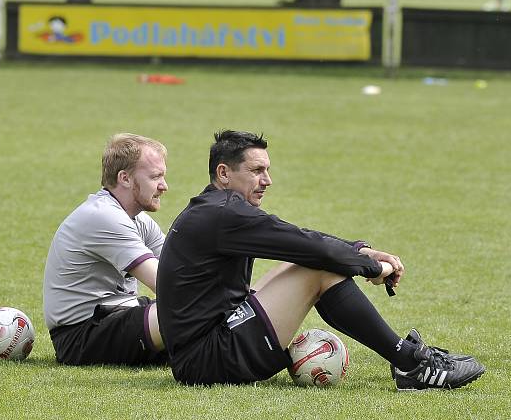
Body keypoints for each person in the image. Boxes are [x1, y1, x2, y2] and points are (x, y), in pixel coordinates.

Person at [156, 130, 484, 389]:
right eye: (257, 171)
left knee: (302, 263)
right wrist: (374, 267)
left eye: (268, 170)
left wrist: (361, 250)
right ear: (223, 173)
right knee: (317, 270)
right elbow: (317, 252)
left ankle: (408, 360)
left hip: (204, 349)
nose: (267, 180)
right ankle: (410, 362)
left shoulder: (216, 208)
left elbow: (299, 238)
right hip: (208, 360)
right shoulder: (223, 213)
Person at [42, 133, 170, 366]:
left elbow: (178, 267)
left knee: (198, 323)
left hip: (118, 317)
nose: (164, 186)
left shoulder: (138, 220)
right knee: (187, 316)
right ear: (125, 178)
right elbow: (165, 282)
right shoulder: (103, 216)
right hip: (81, 334)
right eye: (155, 176)